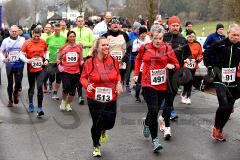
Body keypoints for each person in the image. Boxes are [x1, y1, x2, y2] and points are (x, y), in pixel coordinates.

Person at [134, 24, 179, 152]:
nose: (158, 41)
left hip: (162, 84)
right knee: (153, 111)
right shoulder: (145, 47)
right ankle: (155, 140)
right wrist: (137, 74)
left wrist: (172, 66)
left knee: (155, 110)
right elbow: (138, 60)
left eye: (160, 38)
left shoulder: (167, 48)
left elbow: (176, 64)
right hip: (148, 83)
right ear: (151, 37)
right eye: (155, 38)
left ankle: (146, 122)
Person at [81, 37, 123, 157]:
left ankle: (103, 129)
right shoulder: (89, 62)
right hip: (94, 97)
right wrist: (87, 85)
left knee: (110, 123)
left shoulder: (114, 60)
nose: (106, 47)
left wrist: (119, 83)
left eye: (107, 45)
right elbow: (83, 78)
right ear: (97, 47)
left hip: (111, 97)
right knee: (97, 121)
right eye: (103, 45)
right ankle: (96, 145)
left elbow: (118, 75)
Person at [204, 24, 240, 141]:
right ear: (228, 33)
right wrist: (211, 68)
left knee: (229, 108)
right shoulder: (219, 44)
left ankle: (219, 129)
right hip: (220, 78)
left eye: (238, 35)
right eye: (234, 35)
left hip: (233, 80)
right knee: (223, 105)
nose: (236, 37)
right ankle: (215, 127)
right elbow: (206, 54)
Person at [163, 16, 192, 120]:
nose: (175, 27)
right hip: (164, 69)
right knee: (167, 91)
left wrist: (188, 59)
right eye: (173, 25)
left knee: (174, 91)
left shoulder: (183, 40)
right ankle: (170, 110)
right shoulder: (164, 37)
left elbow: (188, 54)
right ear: (169, 26)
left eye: (177, 25)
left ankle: (168, 106)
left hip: (177, 70)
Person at [20, 28, 49, 117]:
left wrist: (47, 59)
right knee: (32, 86)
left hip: (41, 67)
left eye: (38, 36)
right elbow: (21, 54)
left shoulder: (43, 42)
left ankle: (40, 108)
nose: (36, 38)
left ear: (40, 35)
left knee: (39, 87)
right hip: (31, 67)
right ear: (32, 34)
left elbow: (46, 51)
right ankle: (31, 103)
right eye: (35, 36)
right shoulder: (27, 42)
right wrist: (27, 60)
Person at [0, 25, 25, 107]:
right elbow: (1, 51)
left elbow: (26, 50)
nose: (14, 33)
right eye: (12, 31)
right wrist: (3, 58)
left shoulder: (22, 40)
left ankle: (15, 93)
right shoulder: (5, 41)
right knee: (10, 83)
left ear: (18, 31)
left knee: (18, 82)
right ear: (10, 31)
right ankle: (10, 99)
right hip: (9, 65)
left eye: (15, 31)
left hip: (19, 65)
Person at [57, 31, 83, 111]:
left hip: (76, 71)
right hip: (65, 71)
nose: (72, 38)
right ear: (67, 37)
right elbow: (58, 58)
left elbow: (81, 59)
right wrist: (59, 65)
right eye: (70, 36)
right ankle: (63, 102)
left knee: (72, 91)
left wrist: (82, 63)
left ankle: (68, 104)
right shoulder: (64, 47)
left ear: (75, 37)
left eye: (73, 36)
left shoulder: (79, 47)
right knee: (66, 87)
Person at [72, 16, 95, 104]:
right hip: (76, 57)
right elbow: (69, 42)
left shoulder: (88, 30)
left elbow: (93, 43)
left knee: (87, 75)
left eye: (82, 21)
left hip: (86, 56)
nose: (80, 22)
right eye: (79, 21)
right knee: (78, 75)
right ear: (76, 22)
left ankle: (89, 92)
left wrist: (84, 44)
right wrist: (76, 44)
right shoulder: (74, 30)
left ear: (84, 22)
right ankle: (80, 95)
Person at [102, 17, 130, 85]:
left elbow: (129, 47)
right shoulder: (105, 35)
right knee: (110, 82)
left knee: (119, 82)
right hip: (108, 63)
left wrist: (126, 56)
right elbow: (100, 48)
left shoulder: (124, 34)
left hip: (122, 62)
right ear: (109, 25)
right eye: (113, 23)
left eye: (117, 23)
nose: (116, 24)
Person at [181, 30, 203, 104]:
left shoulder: (197, 44)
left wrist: (199, 59)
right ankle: (188, 96)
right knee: (188, 79)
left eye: (193, 37)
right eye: (189, 37)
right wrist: (184, 60)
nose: (191, 38)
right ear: (186, 37)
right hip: (185, 64)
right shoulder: (184, 44)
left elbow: (200, 54)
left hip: (193, 65)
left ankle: (185, 94)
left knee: (190, 80)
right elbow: (180, 54)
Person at [46, 23, 66, 99]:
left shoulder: (64, 38)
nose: (57, 31)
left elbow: (66, 48)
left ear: (60, 29)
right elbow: (46, 49)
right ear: (53, 30)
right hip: (51, 60)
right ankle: (50, 83)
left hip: (60, 61)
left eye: (58, 30)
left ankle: (55, 93)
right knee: (51, 76)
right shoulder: (49, 38)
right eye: (55, 30)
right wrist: (46, 58)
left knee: (58, 77)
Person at [132, 26, 151, 102]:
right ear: (139, 34)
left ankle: (144, 93)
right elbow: (133, 53)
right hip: (140, 62)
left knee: (147, 79)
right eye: (142, 33)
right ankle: (137, 95)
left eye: (145, 33)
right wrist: (142, 54)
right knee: (139, 80)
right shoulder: (136, 41)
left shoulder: (149, 40)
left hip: (148, 63)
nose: (143, 35)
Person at [125, 21, 141, 92]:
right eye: (138, 28)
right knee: (129, 71)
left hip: (138, 58)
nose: (139, 30)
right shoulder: (130, 35)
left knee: (137, 72)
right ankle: (127, 85)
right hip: (131, 57)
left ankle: (136, 84)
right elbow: (128, 44)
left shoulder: (141, 35)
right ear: (134, 28)